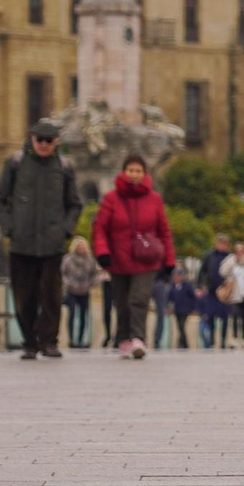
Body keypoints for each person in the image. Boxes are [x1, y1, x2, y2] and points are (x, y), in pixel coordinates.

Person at [0, 119, 82, 361]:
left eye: (48, 140)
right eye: (39, 139)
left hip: (52, 244)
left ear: (56, 142)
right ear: (31, 139)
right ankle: (30, 342)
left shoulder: (64, 167)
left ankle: (49, 342)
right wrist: (10, 227)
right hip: (22, 244)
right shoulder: (15, 163)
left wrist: (65, 230)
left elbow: (75, 205)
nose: (43, 144)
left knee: (52, 296)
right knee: (24, 297)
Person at [91, 154, 175, 360]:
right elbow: (100, 228)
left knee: (138, 298)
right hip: (119, 259)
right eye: (131, 170)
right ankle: (123, 339)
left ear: (145, 174)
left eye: (138, 171)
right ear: (124, 172)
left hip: (147, 260)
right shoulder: (111, 198)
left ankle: (138, 338)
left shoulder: (154, 199)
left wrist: (169, 261)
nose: (134, 175)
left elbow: (164, 231)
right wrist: (102, 252)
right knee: (122, 301)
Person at [196, 234, 233, 348]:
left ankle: (223, 340)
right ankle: (211, 338)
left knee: (224, 316)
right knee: (210, 314)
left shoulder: (230, 257)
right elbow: (202, 272)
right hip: (212, 290)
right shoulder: (210, 256)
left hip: (225, 291)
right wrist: (200, 286)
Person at [61, 238, 100, 348]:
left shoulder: (90, 260)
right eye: (79, 246)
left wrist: (91, 283)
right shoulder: (68, 259)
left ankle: (81, 339)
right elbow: (63, 273)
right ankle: (71, 339)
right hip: (71, 291)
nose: (81, 248)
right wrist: (68, 284)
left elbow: (95, 274)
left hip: (85, 290)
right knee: (72, 315)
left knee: (84, 316)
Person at [167, 269, 196, 349]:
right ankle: (183, 343)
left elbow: (193, 297)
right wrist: (168, 307)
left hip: (186, 309)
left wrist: (193, 308)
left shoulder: (187, 285)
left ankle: (183, 343)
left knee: (181, 325)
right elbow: (169, 298)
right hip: (177, 309)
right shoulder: (172, 286)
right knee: (179, 326)